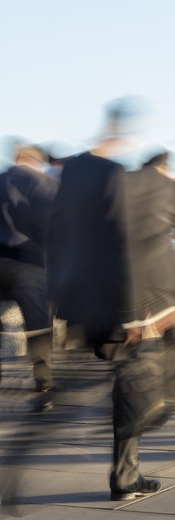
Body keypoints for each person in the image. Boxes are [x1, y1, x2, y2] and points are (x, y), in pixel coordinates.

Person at [47, 99, 175, 501]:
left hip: (93, 307)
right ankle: (130, 437)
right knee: (166, 381)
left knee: (129, 379)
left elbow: (59, 242)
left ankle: (125, 472)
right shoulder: (156, 187)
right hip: (144, 310)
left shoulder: (77, 180)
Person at [0, 145, 59, 411]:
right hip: (30, 265)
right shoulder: (44, 184)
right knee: (38, 328)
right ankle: (43, 385)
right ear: (35, 161)